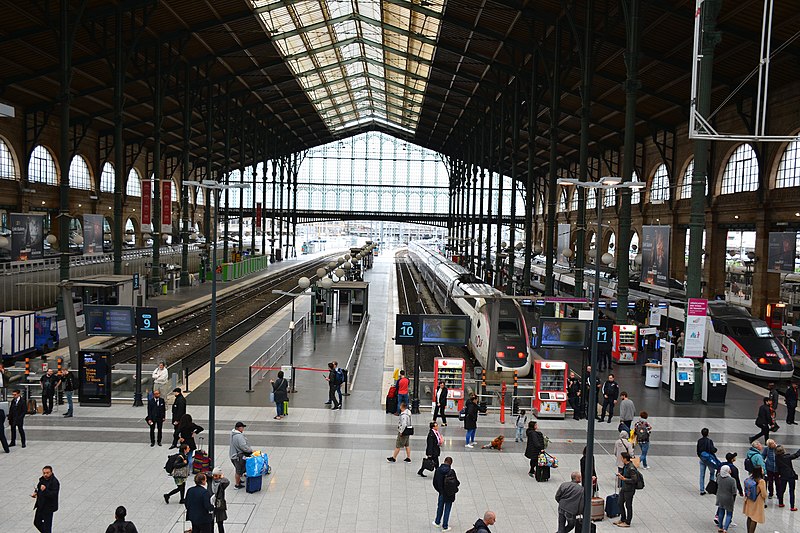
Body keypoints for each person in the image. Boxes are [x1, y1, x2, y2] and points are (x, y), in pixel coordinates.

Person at [432, 457, 459, 531]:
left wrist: (440, 490)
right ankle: (445, 526)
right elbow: (456, 482)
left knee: (440, 507)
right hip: (449, 494)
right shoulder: (451, 471)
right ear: (451, 463)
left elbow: (434, 482)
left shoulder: (438, 470)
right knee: (447, 509)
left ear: (444, 461)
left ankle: (437, 522)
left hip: (441, 493)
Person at [31, 465, 60, 533]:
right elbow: (38, 487)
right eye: (44, 473)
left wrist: (45, 490)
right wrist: (36, 493)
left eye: (47, 473)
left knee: (47, 526)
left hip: (48, 507)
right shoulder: (42, 479)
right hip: (40, 505)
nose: (45, 474)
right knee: (37, 522)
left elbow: (54, 495)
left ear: (51, 472)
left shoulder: (54, 482)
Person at [615, 452, 639, 528]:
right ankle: (623, 518)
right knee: (619, 503)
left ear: (625, 459)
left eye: (622, 458)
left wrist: (624, 479)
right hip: (624, 488)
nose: (621, 459)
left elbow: (634, 480)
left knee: (628, 505)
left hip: (629, 489)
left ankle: (628, 522)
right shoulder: (626, 466)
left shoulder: (631, 468)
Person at [205, 466, 230, 533]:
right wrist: (212, 474)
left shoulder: (222, 483)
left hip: (219, 504)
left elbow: (227, 481)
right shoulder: (210, 480)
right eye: (214, 475)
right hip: (211, 503)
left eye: (217, 476)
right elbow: (205, 473)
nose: (215, 477)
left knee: (220, 523)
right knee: (210, 522)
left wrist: (221, 477)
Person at [742, 467, 767, 533]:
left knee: (749, 517)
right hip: (757, 502)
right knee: (755, 518)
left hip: (749, 500)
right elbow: (764, 494)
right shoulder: (761, 481)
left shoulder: (750, 478)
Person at [775, 445, 800, 510]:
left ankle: (780, 503)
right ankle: (792, 506)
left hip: (782, 475)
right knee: (791, 491)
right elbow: (796, 455)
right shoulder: (787, 457)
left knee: (782, 490)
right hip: (790, 475)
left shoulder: (777, 458)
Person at [229, 421, 253, 489]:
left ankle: (239, 480)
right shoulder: (239, 436)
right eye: (242, 427)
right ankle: (237, 484)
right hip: (237, 456)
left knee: (239, 469)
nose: (243, 429)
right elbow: (243, 446)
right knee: (238, 470)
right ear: (239, 428)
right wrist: (250, 450)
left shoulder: (232, 434)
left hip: (233, 455)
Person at [716, 465, 738, 533]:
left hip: (719, 497)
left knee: (721, 512)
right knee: (729, 513)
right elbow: (734, 491)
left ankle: (720, 527)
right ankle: (725, 529)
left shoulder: (719, 477)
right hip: (728, 498)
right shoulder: (732, 480)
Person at [698, 427, 718, 495]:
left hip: (702, 459)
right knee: (712, 472)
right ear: (708, 433)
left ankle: (702, 490)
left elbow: (698, 451)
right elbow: (713, 450)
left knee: (702, 474)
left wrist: (701, 457)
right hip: (709, 460)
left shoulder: (699, 441)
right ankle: (710, 488)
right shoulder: (709, 441)